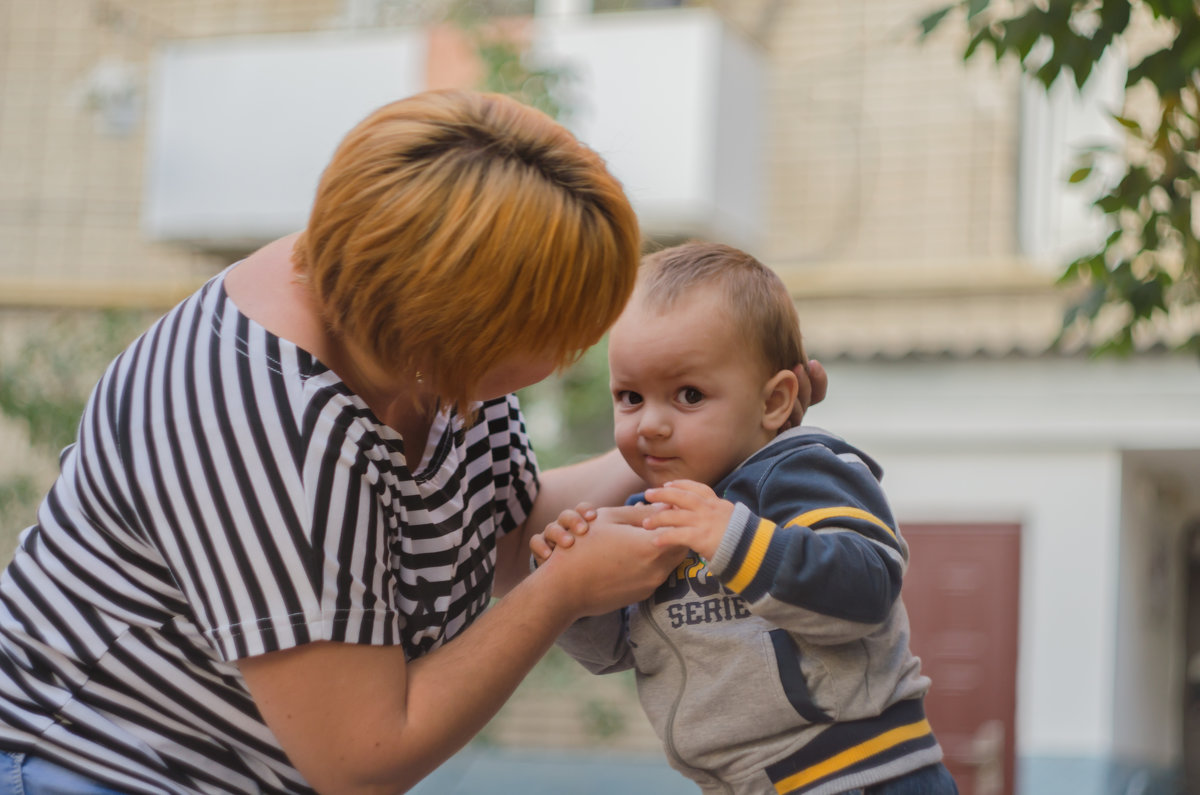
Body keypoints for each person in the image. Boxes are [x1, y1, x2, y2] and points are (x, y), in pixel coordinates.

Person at [0, 89, 691, 794]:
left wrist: (668, 445)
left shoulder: (417, 338)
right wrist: (562, 591)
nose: (568, 355)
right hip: (87, 765)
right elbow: (362, 759)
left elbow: (507, 538)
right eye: (557, 334)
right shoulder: (269, 420)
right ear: (454, 325)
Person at [532, 242, 958, 795]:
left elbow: (867, 587)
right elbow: (618, 650)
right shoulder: (655, 515)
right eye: (630, 397)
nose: (650, 425)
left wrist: (729, 536)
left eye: (688, 395)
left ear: (774, 402)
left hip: (859, 773)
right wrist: (569, 593)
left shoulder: (799, 472)